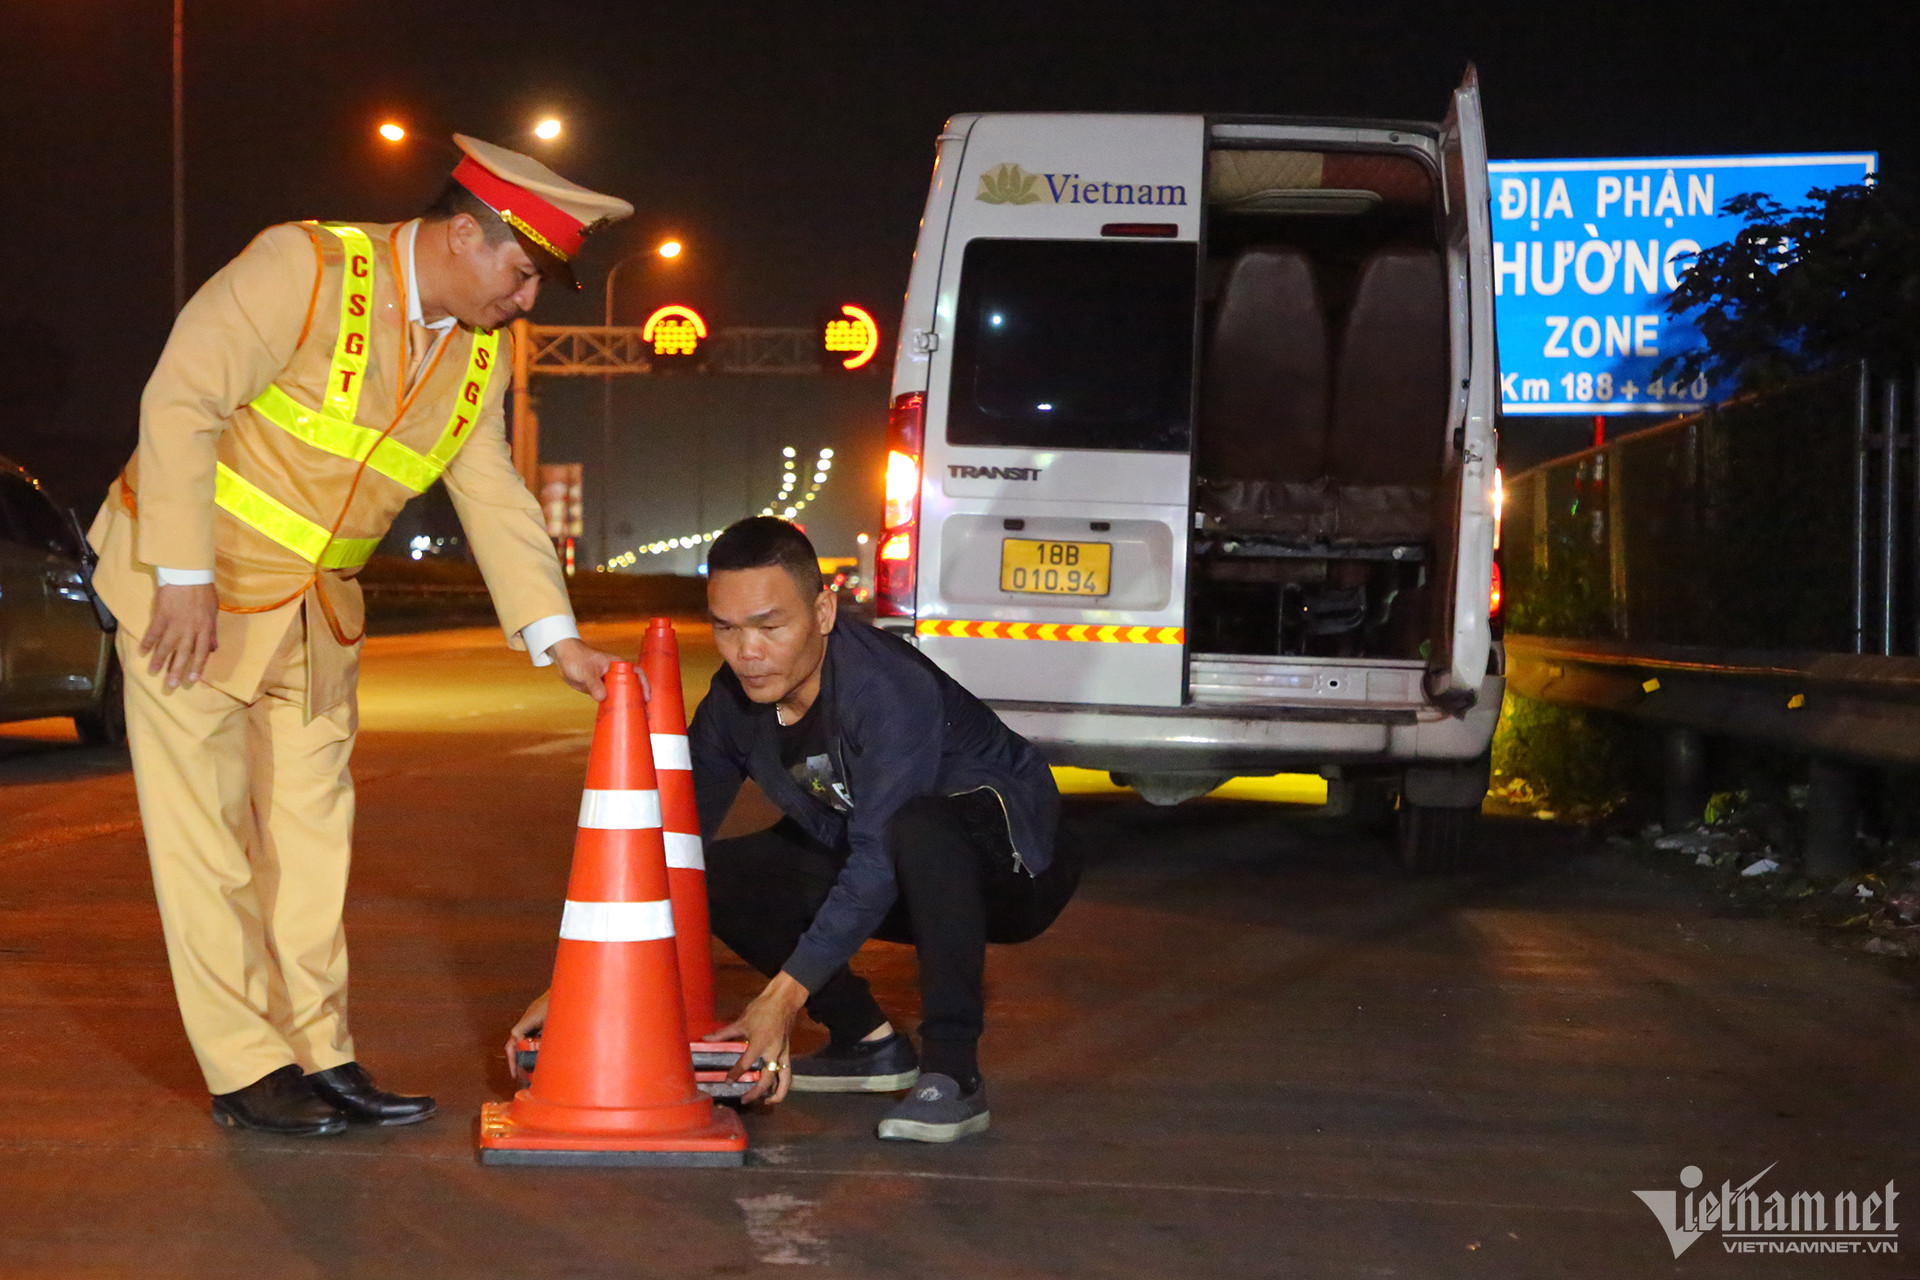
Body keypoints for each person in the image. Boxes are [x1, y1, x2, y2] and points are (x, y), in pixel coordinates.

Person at [91, 135, 632, 1136]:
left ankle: (319, 1052)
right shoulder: (303, 267)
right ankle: (246, 1067)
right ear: (466, 234)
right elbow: (180, 398)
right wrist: (180, 574)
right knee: (207, 842)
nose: (526, 302)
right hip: (191, 603)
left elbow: (491, 488)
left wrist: (557, 638)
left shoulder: (474, 353)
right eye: (521, 275)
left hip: (314, 617)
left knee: (309, 846)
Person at [514, 517, 1078, 1142]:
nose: (746, 652)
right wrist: (573, 991)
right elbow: (671, 844)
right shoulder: (734, 702)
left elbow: (877, 860)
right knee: (716, 877)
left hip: (1014, 872)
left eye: (770, 626)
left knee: (919, 828)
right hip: (890, 866)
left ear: (824, 612)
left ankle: (953, 1073)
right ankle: (866, 1041)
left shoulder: (886, 689)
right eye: (726, 628)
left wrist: (780, 1000)